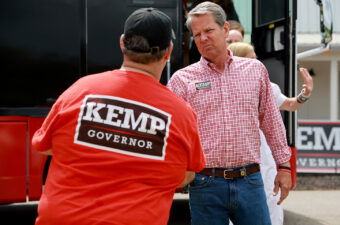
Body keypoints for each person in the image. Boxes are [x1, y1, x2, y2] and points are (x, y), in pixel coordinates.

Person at [32, 8, 205, 225]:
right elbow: (186, 175)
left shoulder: (80, 90)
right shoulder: (180, 112)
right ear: (168, 51)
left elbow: (45, 145)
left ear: (122, 42)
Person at [167, 2, 292, 225]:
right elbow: (171, 134)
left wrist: (284, 166)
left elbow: (271, 121)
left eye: (208, 31)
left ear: (225, 29)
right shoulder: (181, 80)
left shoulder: (255, 71)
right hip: (205, 183)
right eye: (197, 34)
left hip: (250, 181)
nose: (203, 38)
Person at [228, 41, 313, 225]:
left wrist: (304, 94)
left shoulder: (266, 85)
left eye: (256, 58)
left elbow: (290, 104)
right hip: (235, 156)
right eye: (251, 59)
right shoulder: (223, 87)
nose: (257, 63)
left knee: (269, 201)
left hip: (263, 156)